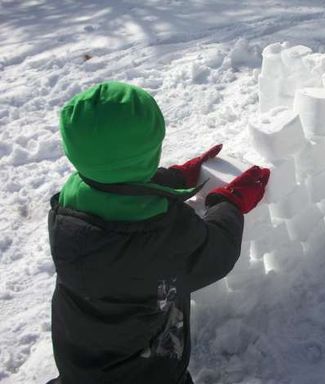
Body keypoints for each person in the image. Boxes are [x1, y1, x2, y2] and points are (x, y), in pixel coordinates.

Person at [46, 81, 270, 384]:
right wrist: (227, 202)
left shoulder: (67, 204)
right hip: (145, 372)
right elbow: (217, 252)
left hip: (79, 360)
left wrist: (173, 177)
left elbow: (115, 184)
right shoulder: (163, 236)